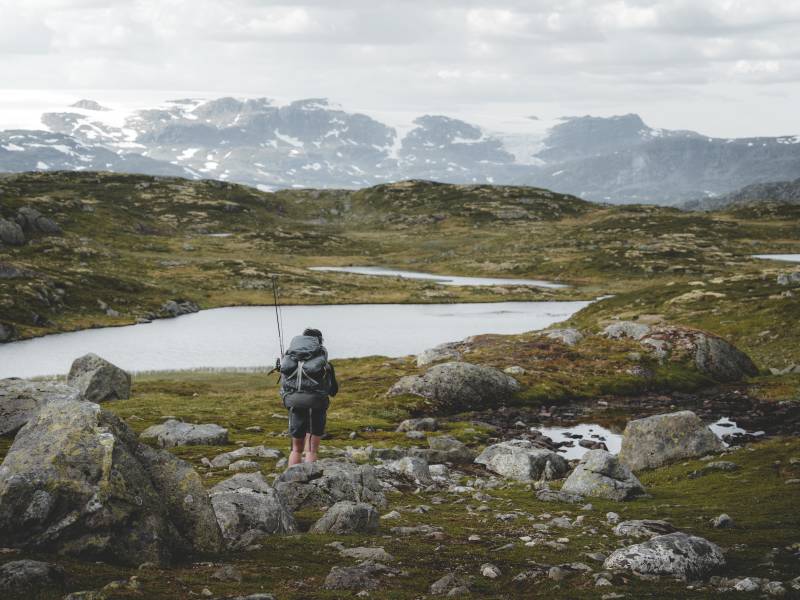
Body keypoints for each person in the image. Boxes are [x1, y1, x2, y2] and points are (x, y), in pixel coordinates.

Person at [277, 327, 338, 465]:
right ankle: (310, 480)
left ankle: (292, 481)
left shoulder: (289, 360)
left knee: (296, 450)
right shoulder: (324, 364)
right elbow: (333, 391)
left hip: (293, 403)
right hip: (316, 404)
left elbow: (284, 385)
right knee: (311, 450)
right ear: (319, 343)